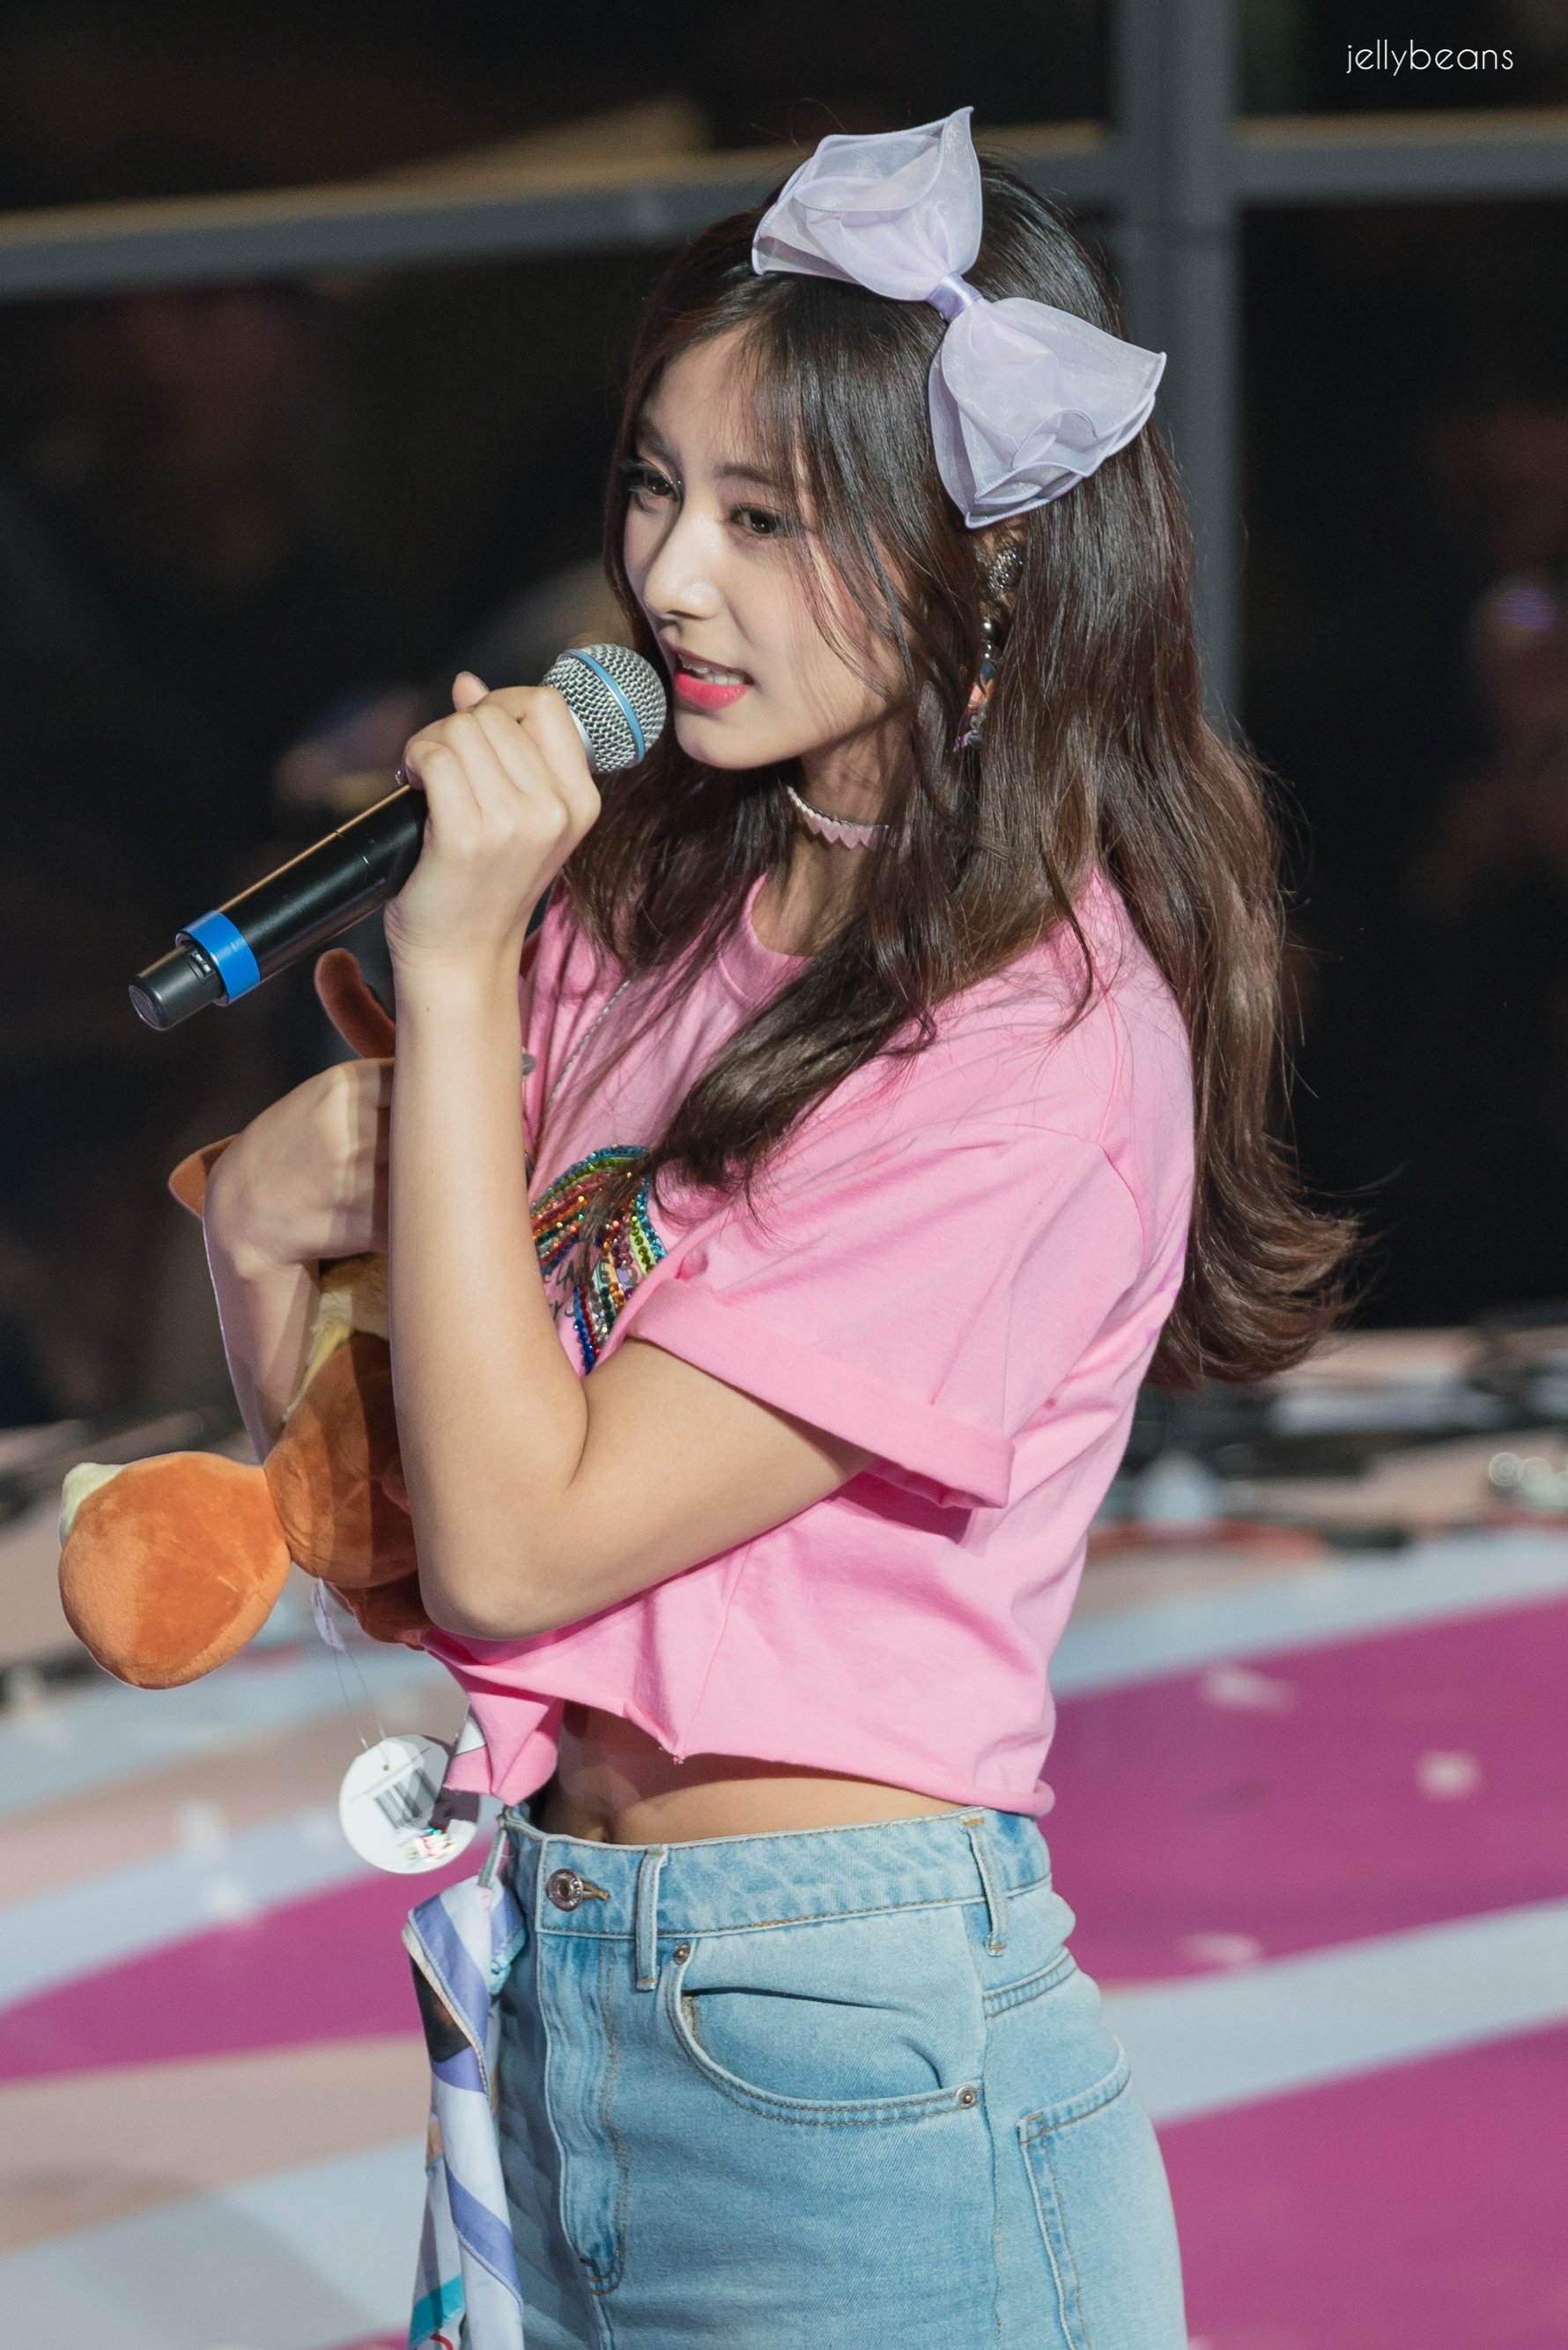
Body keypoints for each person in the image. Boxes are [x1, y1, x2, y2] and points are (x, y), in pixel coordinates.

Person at [200, 112, 1349, 2350]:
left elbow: (527, 1551)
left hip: (847, 2052)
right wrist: (260, 1239)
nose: (669, 580)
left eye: (765, 516)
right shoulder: (640, 906)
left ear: (980, 568)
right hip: (553, 1976)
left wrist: (455, 965)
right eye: (654, 489)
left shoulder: (1034, 1041)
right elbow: (416, 1537)